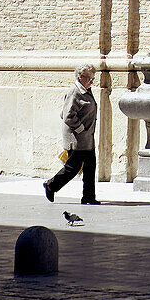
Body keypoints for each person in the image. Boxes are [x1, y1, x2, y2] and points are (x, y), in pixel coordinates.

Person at [43, 63, 100, 205]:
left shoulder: (86, 90)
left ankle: (88, 197)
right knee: (72, 168)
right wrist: (81, 129)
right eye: (89, 79)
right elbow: (68, 116)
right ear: (80, 77)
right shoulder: (74, 92)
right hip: (77, 138)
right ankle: (51, 185)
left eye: (93, 79)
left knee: (90, 167)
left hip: (87, 138)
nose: (92, 82)